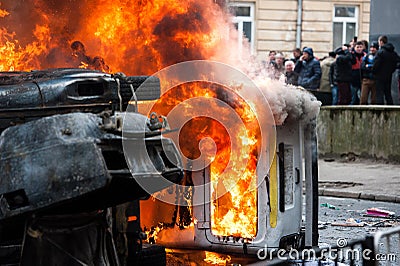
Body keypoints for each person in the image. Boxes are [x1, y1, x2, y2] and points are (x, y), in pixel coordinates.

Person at [373, 35, 399, 105]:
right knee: (388, 93)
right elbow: (397, 62)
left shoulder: (380, 52)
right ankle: (391, 108)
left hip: (379, 76)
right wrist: (391, 70)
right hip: (388, 75)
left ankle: (380, 110)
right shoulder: (393, 53)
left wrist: (374, 71)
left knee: (379, 93)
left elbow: (376, 65)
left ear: (381, 42)